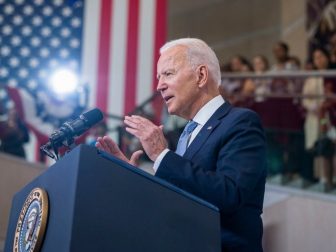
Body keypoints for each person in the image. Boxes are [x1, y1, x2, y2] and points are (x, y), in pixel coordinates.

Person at [96, 38, 267, 252]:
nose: (159, 85)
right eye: (159, 77)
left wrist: (161, 154)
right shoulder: (184, 136)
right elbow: (176, 202)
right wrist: (133, 178)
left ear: (201, 76)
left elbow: (230, 195)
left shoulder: (240, 122)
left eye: (168, 74)